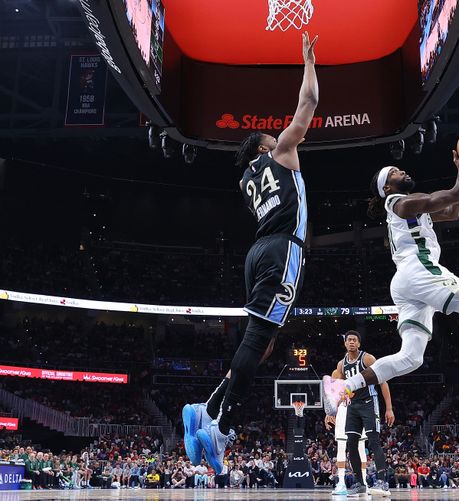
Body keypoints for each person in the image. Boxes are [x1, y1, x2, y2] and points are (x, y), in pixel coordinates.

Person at [182, 31, 320, 474]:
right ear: (267, 146)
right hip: (283, 250)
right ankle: (221, 428)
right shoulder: (281, 151)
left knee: (261, 341)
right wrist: (309, 61)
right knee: (259, 340)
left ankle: (206, 408)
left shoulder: (246, 182)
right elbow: (309, 104)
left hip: (257, 252)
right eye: (272, 137)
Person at [323, 128, 459, 412]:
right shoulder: (401, 203)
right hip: (420, 270)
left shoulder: (408, 208)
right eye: (394, 171)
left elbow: (454, 209)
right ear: (387, 188)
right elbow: (458, 193)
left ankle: (343, 386)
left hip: (406, 282)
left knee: (410, 358)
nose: (401, 170)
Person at [324, 331, 394, 497]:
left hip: (369, 403)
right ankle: (359, 484)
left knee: (374, 441)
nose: (351, 342)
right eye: (349, 340)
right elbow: (340, 390)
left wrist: (389, 408)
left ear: (359, 344)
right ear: (345, 343)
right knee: (351, 444)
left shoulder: (367, 359)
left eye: (354, 340)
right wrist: (331, 411)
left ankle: (382, 482)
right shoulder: (342, 364)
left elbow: (383, 382)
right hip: (353, 407)